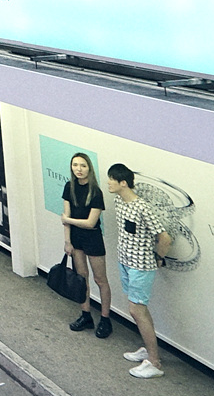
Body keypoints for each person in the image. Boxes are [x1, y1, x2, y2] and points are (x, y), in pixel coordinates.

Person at [105, 163, 172, 378]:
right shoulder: (118, 201)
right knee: (138, 308)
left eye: (112, 179)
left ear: (123, 183)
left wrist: (158, 257)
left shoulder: (143, 207)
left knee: (136, 310)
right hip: (125, 261)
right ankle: (148, 349)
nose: (108, 183)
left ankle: (154, 362)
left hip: (140, 266)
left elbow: (164, 238)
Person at [61, 153, 114, 338]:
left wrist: (68, 220)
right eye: (75, 165)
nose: (79, 169)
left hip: (93, 238)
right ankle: (86, 315)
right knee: (81, 278)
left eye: (83, 165)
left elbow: (90, 223)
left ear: (89, 168)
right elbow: (66, 217)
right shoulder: (69, 187)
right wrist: (67, 242)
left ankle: (105, 319)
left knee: (100, 279)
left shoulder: (96, 192)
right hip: (76, 239)